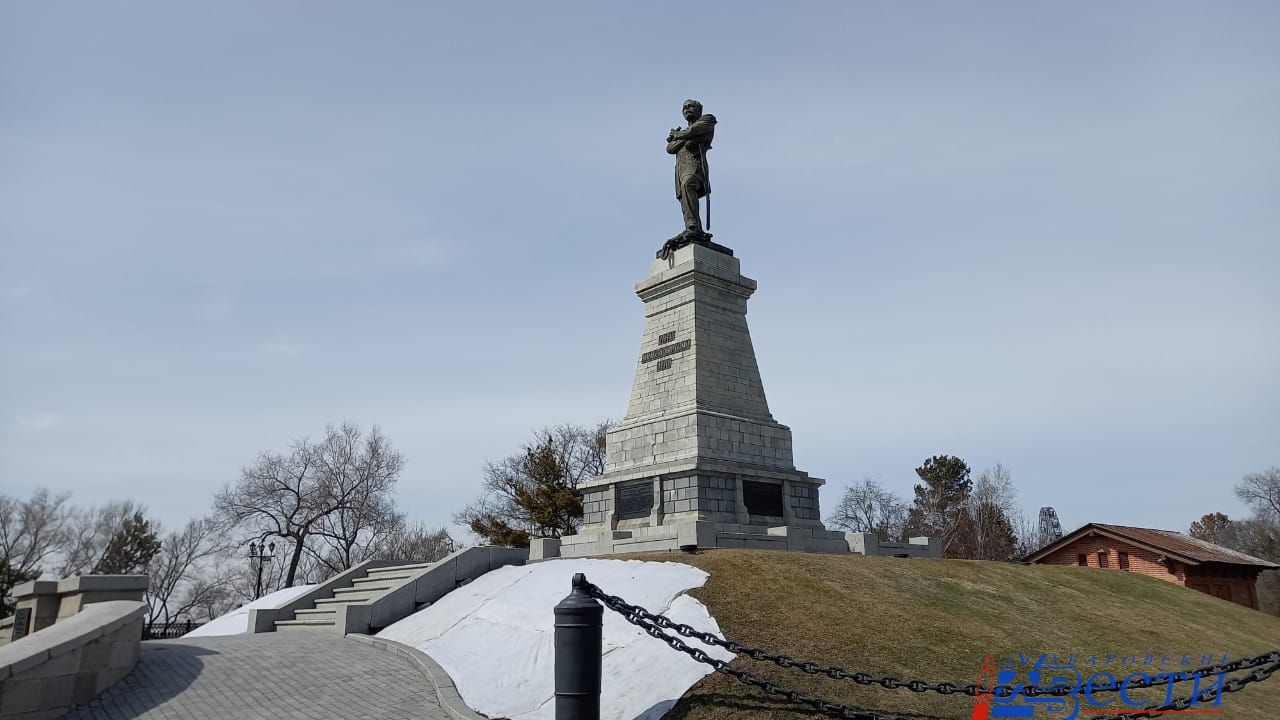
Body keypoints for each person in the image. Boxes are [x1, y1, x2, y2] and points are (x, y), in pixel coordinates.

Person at [666, 99, 716, 241]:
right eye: (685, 107)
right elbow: (670, 148)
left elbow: (696, 130)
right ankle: (693, 228)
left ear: (699, 110)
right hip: (680, 169)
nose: (687, 109)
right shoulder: (684, 132)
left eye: (691, 106)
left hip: (695, 166)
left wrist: (679, 135)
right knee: (685, 199)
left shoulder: (707, 120)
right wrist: (683, 135)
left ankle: (693, 225)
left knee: (688, 184)